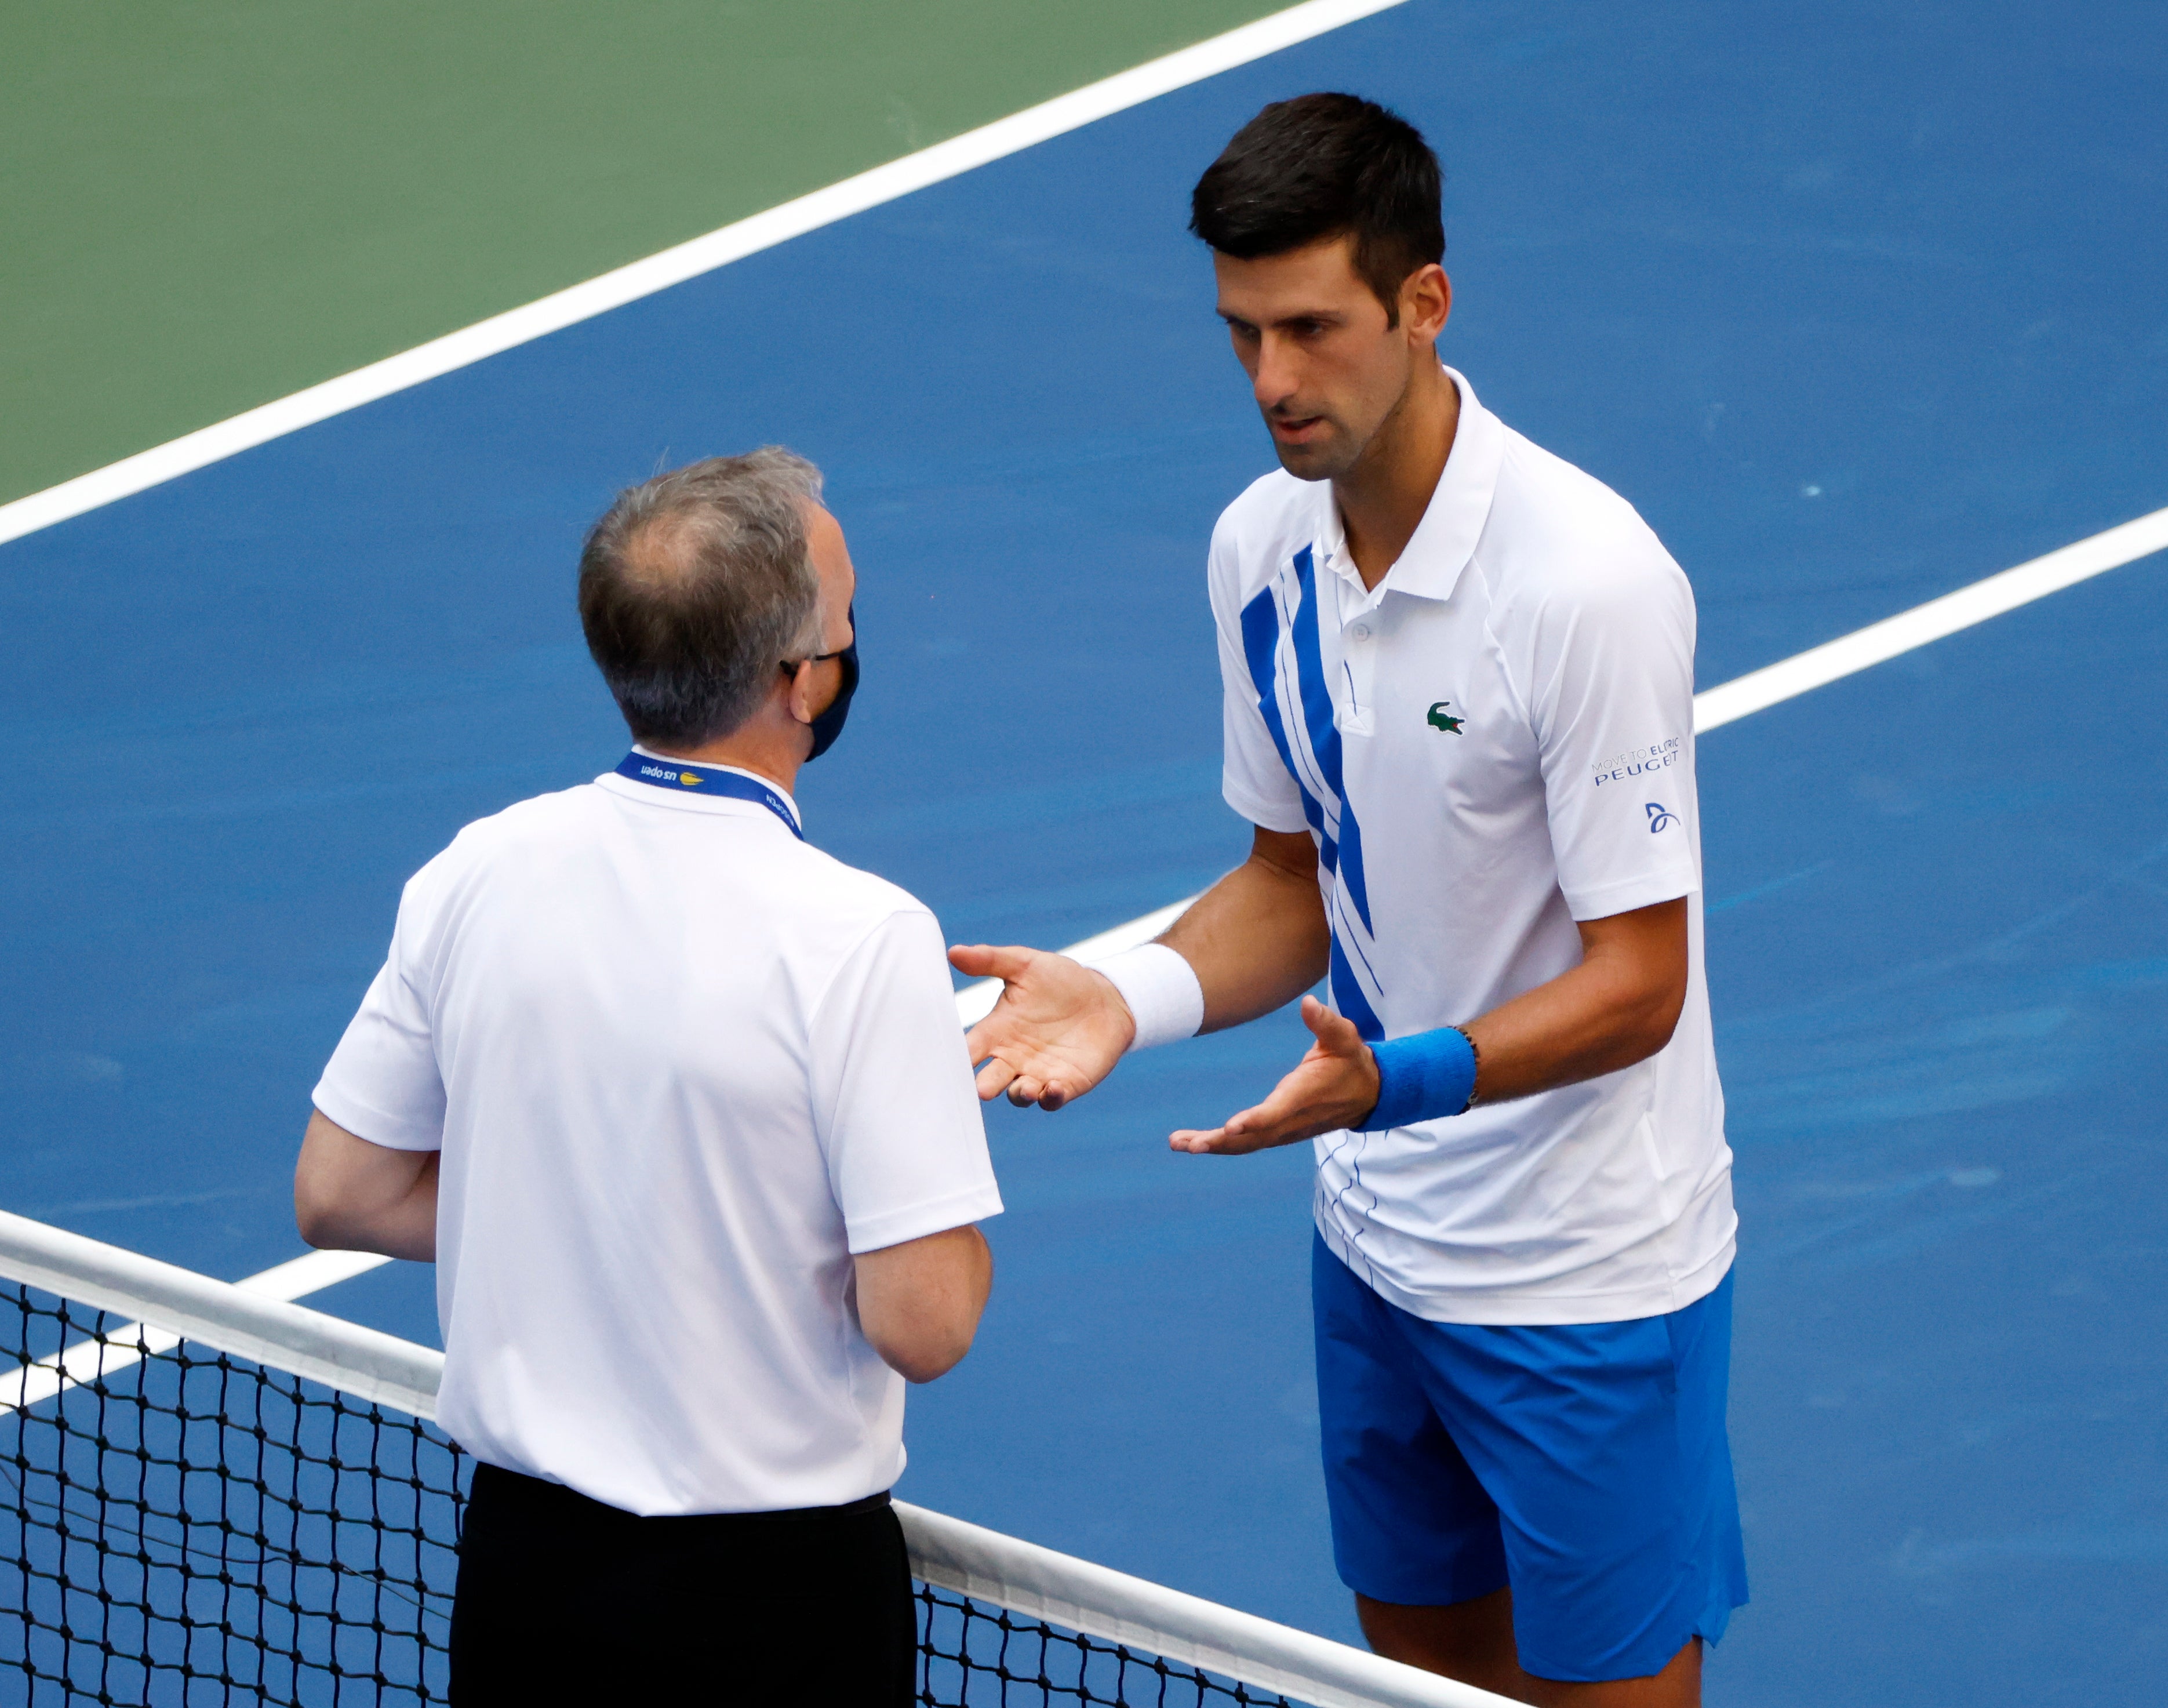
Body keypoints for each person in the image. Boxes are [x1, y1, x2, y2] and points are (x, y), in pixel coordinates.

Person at [950, 95, 1745, 1707]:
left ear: (1423, 305)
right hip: (1375, 1257)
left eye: (1310, 329)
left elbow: (1639, 985)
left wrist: (1393, 1083)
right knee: (1420, 1695)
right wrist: (1132, 994)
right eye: (1241, 334)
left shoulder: (1585, 585)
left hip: (1585, 1286)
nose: (1271, 384)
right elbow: (1286, 884)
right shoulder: (1258, 551)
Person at [293, 448, 1001, 1705]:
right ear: (797, 685)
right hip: (775, 1614)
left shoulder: (481, 867)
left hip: (524, 1581)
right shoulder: (860, 937)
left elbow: (341, 1191)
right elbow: (926, 1320)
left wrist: (595, 1214)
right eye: (845, 627)